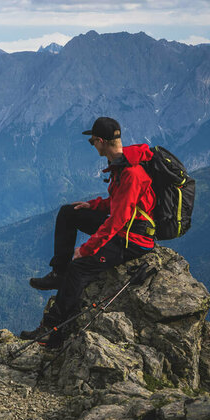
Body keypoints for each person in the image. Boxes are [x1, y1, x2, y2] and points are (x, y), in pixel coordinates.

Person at [21, 117, 156, 347]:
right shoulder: (122, 164)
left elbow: (118, 220)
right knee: (68, 212)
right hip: (126, 226)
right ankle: (58, 273)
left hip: (132, 238)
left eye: (92, 141)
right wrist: (92, 205)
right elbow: (120, 202)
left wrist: (86, 249)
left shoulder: (131, 173)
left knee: (78, 268)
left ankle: (51, 331)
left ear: (101, 141)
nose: (92, 145)